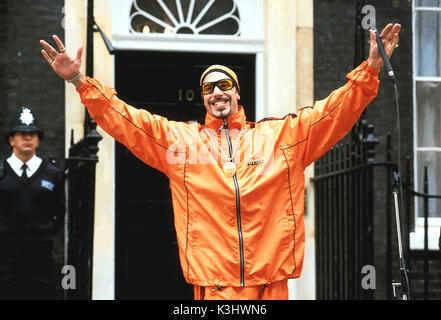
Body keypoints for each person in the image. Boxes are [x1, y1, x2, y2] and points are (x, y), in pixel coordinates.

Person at [40, 23, 401, 300]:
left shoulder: (281, 137)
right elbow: (126, 120)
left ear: (237, 92)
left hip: (270, 279)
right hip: (216, 283)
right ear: (203, 99)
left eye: (224, 85)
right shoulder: (181, 141)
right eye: (209, 88)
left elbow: (333, 113)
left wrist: (369, 69)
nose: (217, 92)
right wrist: (78, 80)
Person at [0, 106, 65, 300]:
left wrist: (43, 233)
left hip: (40, 255)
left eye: (32, 134)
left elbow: (59, 211)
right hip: (5, 255)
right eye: (21, 134)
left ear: (38, 140)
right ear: (12, 139)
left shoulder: (52, 174)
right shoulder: (1, 172)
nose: (27, 138)